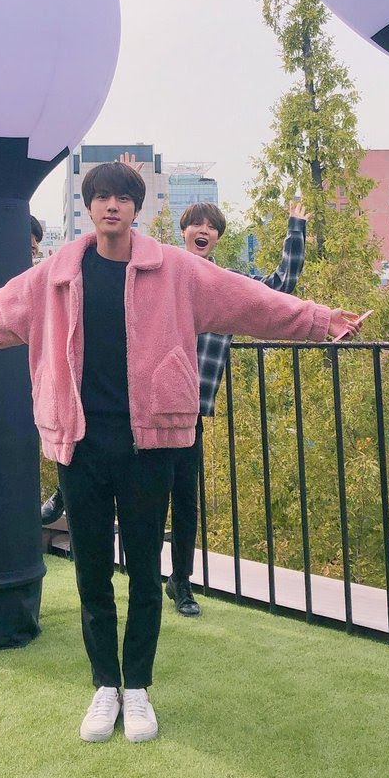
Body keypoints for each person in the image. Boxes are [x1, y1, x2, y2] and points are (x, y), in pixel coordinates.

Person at [0, 162, 360, 744]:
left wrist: (320, 320)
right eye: (102, 197)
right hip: (79, 442)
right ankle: (104, 687)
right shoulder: (55, 275)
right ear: (89, 207)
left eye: (122, 197)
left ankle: (138, 687)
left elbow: (252, 301)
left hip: (152, 441)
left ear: (136, 208)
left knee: (144, 571)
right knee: (92, 572)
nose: (112, 205)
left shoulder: (176, 270)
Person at [165, 200, 308, 617]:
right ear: (184, 232)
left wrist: (295, 228)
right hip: (149, 403)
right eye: (195, 224)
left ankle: (181, 582)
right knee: (143, 494)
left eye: (210, 226)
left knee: (185, 498)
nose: (203, 230)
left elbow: (278, 288)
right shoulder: (163, 278)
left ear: (217, 237)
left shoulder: (228, 286)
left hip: (190, 409)